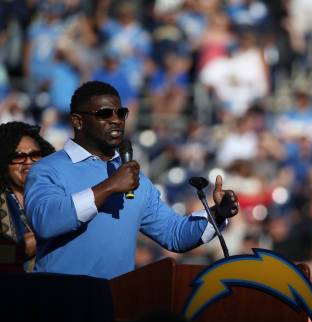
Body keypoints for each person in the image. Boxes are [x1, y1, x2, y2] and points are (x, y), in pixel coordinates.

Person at [24, 81, 239, 278]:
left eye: (121, 113)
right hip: (59, 304)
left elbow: (174, 234)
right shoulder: (47, 169)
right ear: (78, 121)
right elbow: (46, 223)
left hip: (114, 305)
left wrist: (217, 213)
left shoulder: (134, 178)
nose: (116, 120)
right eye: (105, 113)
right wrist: (109, 186)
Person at [0, 121, 55, 271]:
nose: (29, 162)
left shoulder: (59, 194)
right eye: (19, 157)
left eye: (35, 155)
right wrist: (18, 252)